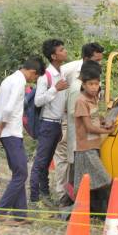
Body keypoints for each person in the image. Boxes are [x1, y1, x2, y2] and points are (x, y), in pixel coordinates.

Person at [0, 56, 46, 224]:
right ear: (32, 72)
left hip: (8, 132)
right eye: (35, 77)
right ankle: (0, 212)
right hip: (11, 132)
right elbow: (7, 108)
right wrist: (0, 127)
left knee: (18, 173)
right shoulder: (19, 82)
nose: (33, 80)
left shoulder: (8, 79)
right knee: (21, 173)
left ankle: (20, 215)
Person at [54, 43, 105, 207]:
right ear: (86, 60)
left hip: (86, 138)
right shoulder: (78, 87)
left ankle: (74, 202)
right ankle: (66, 200)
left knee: (79, 174)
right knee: (74, 169)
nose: (99, 64)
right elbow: (74, 116)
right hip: (79, 137)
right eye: (96, 61)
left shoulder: (92, 82)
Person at [29, 39, 69, 208]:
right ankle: (34, 197)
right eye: (61, 50)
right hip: (48, 123)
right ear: (53, 56)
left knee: (46, 162)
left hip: (57, 123)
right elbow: (38, 101)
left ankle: (44, 194)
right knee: (40, 162)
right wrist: (55, 89)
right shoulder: (46, 76)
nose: (65, 51)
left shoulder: (62, 74)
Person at [73, 64, 114, 216]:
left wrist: (105, 123)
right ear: (83, 84)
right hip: (85, 148)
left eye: (96, 84)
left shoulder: (94, 99)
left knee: (88, 184)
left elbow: (96, 119)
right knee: (104, 180)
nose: (94, 87)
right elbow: (89, 127)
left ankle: (90, 214)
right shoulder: (81, 101)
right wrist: (107, 131)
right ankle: (105, 214)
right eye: (91, 84)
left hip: (94, 146)